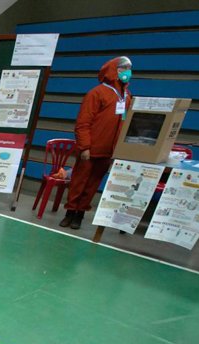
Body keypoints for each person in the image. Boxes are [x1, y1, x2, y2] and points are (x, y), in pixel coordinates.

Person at [59, 56, 133, 230]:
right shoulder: (96, 93)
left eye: (129, 69)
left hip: (108, 152)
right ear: (114, 70)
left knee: (93, 185)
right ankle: (70, 212)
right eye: (123, 69)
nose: (127, 72)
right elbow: (83, 123)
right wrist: (84, 147)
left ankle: (80, 214)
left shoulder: (126, 97)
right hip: (90, 150)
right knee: (78, 182)